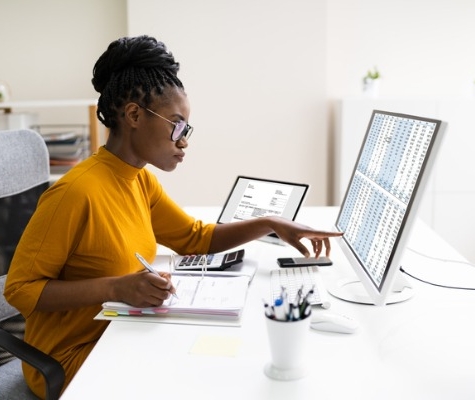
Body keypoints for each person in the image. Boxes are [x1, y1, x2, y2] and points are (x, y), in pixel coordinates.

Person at [4, 35, 342, 398]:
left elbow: (197, 239)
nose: (184, 142)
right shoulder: (74, 193)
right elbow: (21, 290)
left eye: (187, 130)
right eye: (177, 126)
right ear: (134, 115)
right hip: (73, 359)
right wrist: (117, 288)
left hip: (121, 334)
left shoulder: (140, 180)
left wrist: (270, 223)